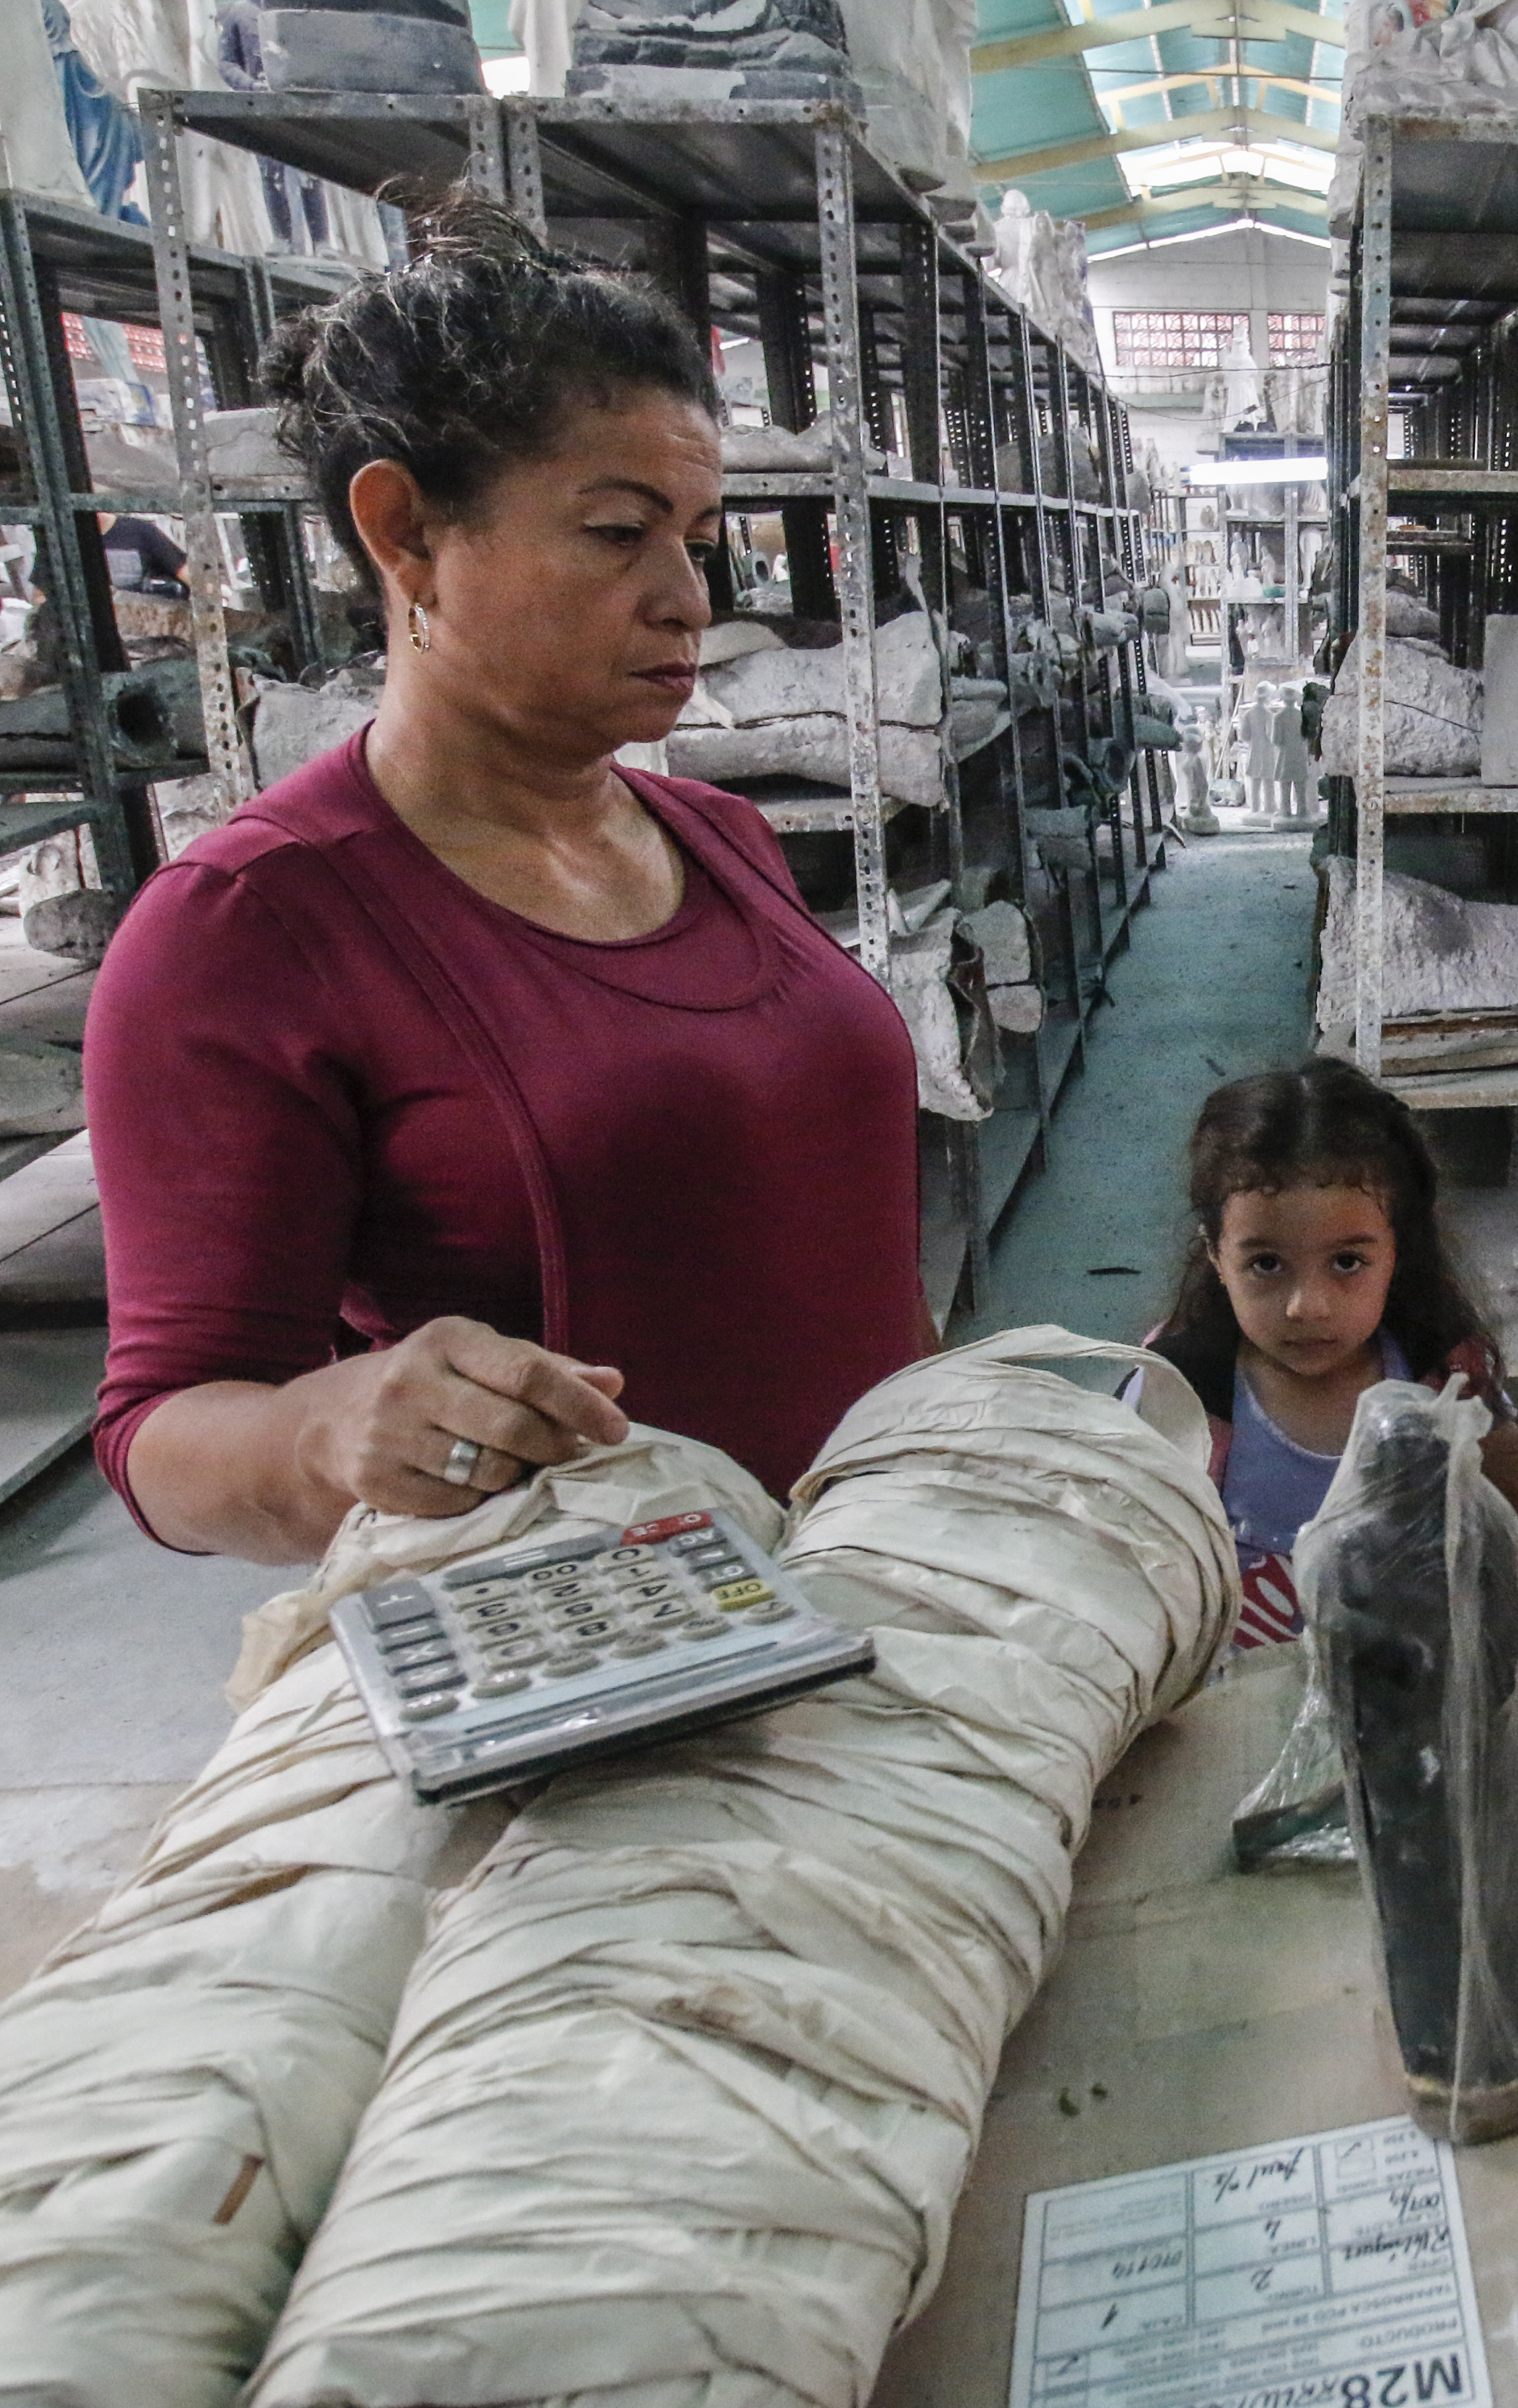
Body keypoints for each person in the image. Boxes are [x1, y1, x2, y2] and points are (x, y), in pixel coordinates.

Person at [87, 195, 927, 1562]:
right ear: (406, 534)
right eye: (616, 534)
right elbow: (160, 1433)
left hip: (880, 1577)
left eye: (699, 539)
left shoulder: (720, 841)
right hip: (607, 1647)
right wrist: (328, 1429)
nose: (688, 599)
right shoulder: (251, 931)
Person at [1147, 1057, 1518, 1647]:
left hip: (1404, 1696)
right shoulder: (1180, 1390)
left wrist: (1497, 1626)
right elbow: (1135, 1558)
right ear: (1215, 1255)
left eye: (1347, 1263)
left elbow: (1515, 1500)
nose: (1308, 1307)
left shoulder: (1443, 1373)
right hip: (1230, 1707)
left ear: (1397, 1251)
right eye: (1265, 1264)